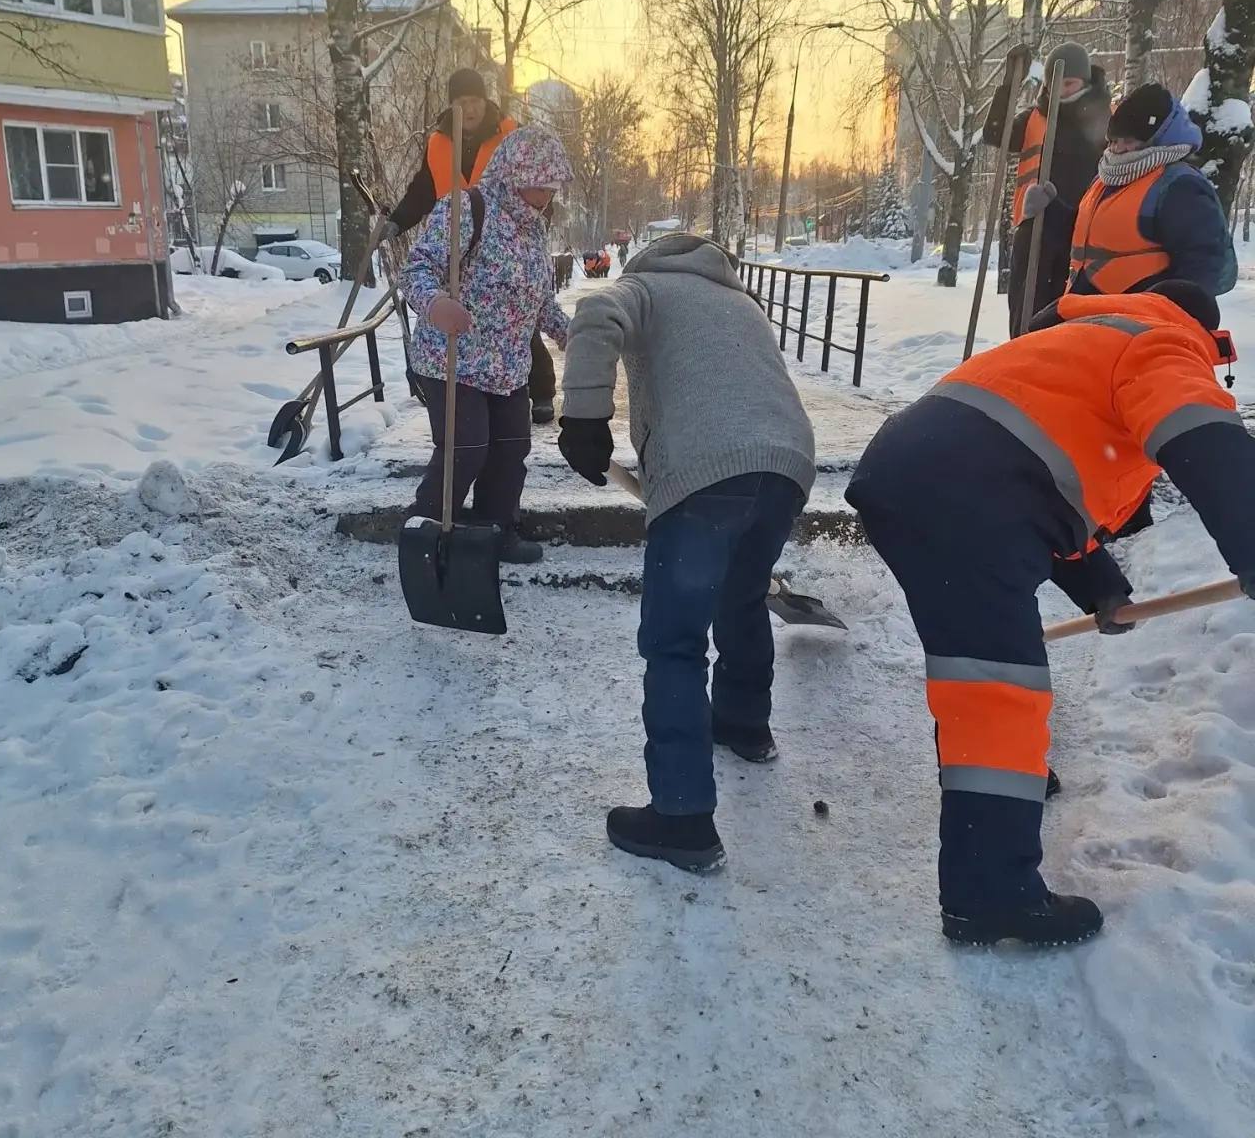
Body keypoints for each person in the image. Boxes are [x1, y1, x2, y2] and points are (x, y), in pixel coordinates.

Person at [845, 280, 1255, 946]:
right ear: (1206, 336)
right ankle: (992, 896)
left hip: (915, 474)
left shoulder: (1081, 340)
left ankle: (1009, 793)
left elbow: (1042, 475)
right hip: (971, 497)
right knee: (998, 691)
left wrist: (1101, 588)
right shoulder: (1164, 341)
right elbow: (1202, 435)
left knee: (983, 672)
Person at [557, 233, 817, 873]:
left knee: (674, 641)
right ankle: (744, 725)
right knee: (743, 594)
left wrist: (584, 419)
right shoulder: (741, 303)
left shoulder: (646, 286)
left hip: (705, 471)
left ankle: (682, 818)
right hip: (787, 465)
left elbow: (593, 313)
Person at [401, 125, 574, 564]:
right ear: (515, 175)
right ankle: (427, 532)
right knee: (467, 448)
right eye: (539, 186)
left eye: (551, 188)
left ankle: (496, 529)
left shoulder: (534, 229)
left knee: (512, 448)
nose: (546, 196)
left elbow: (537, 297)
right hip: (451, 359)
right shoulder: (466, 208)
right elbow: (416, 269)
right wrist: (435, 303)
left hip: (509, 365)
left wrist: (567, 331)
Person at [356, 68, 561, 425]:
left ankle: (541, 390)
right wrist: (397, 222)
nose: (470, 109)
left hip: (505, 242)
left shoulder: (508, 134)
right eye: (462, 102)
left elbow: (535, 180)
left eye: (475, 101)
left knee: (520, 319)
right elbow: (422, 188)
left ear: (486, 101)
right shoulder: (440, 142)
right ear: (452, 105)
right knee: (479, 328)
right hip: (458, 246)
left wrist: (536, 219)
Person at [1052, 82, 1236, 300]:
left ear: (1158, 138)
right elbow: (1091, 236)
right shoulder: (1107, 178)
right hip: (1086, 309)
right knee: (1035, 329)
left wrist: (1168, 306)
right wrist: (1050, 210)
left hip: (1140, 321)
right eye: (1113, 141)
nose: (1118, 149)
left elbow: (1205, 265)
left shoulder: (1179, 187)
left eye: (1128, 141)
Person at [983, 41, 1110, 336]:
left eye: (1069, 83)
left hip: (1082, 234)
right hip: (1033, 228)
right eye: (1055, 83)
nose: (1062, 90)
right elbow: (995, 134)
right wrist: (1008, 86)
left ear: (1085, 81)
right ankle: (1022, 367)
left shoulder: (1106, 119)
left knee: (1070, 316)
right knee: (1026, 315)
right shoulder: (1033, 118)